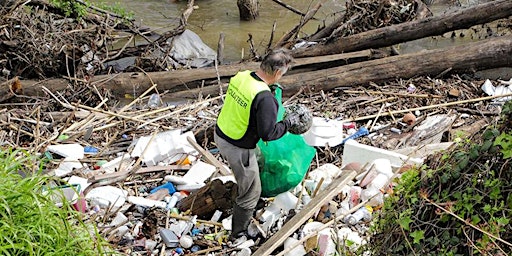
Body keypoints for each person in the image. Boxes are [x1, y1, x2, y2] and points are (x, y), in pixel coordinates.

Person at [214, 48, 300, 242]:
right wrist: (288, 123)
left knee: (260, 158)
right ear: (278, 73)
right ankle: (238, 233)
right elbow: (268, 133)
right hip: (237, 146)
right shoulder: (264, 98)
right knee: (250, 193)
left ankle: (256, 191)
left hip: (222, 132)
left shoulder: (242, 76)